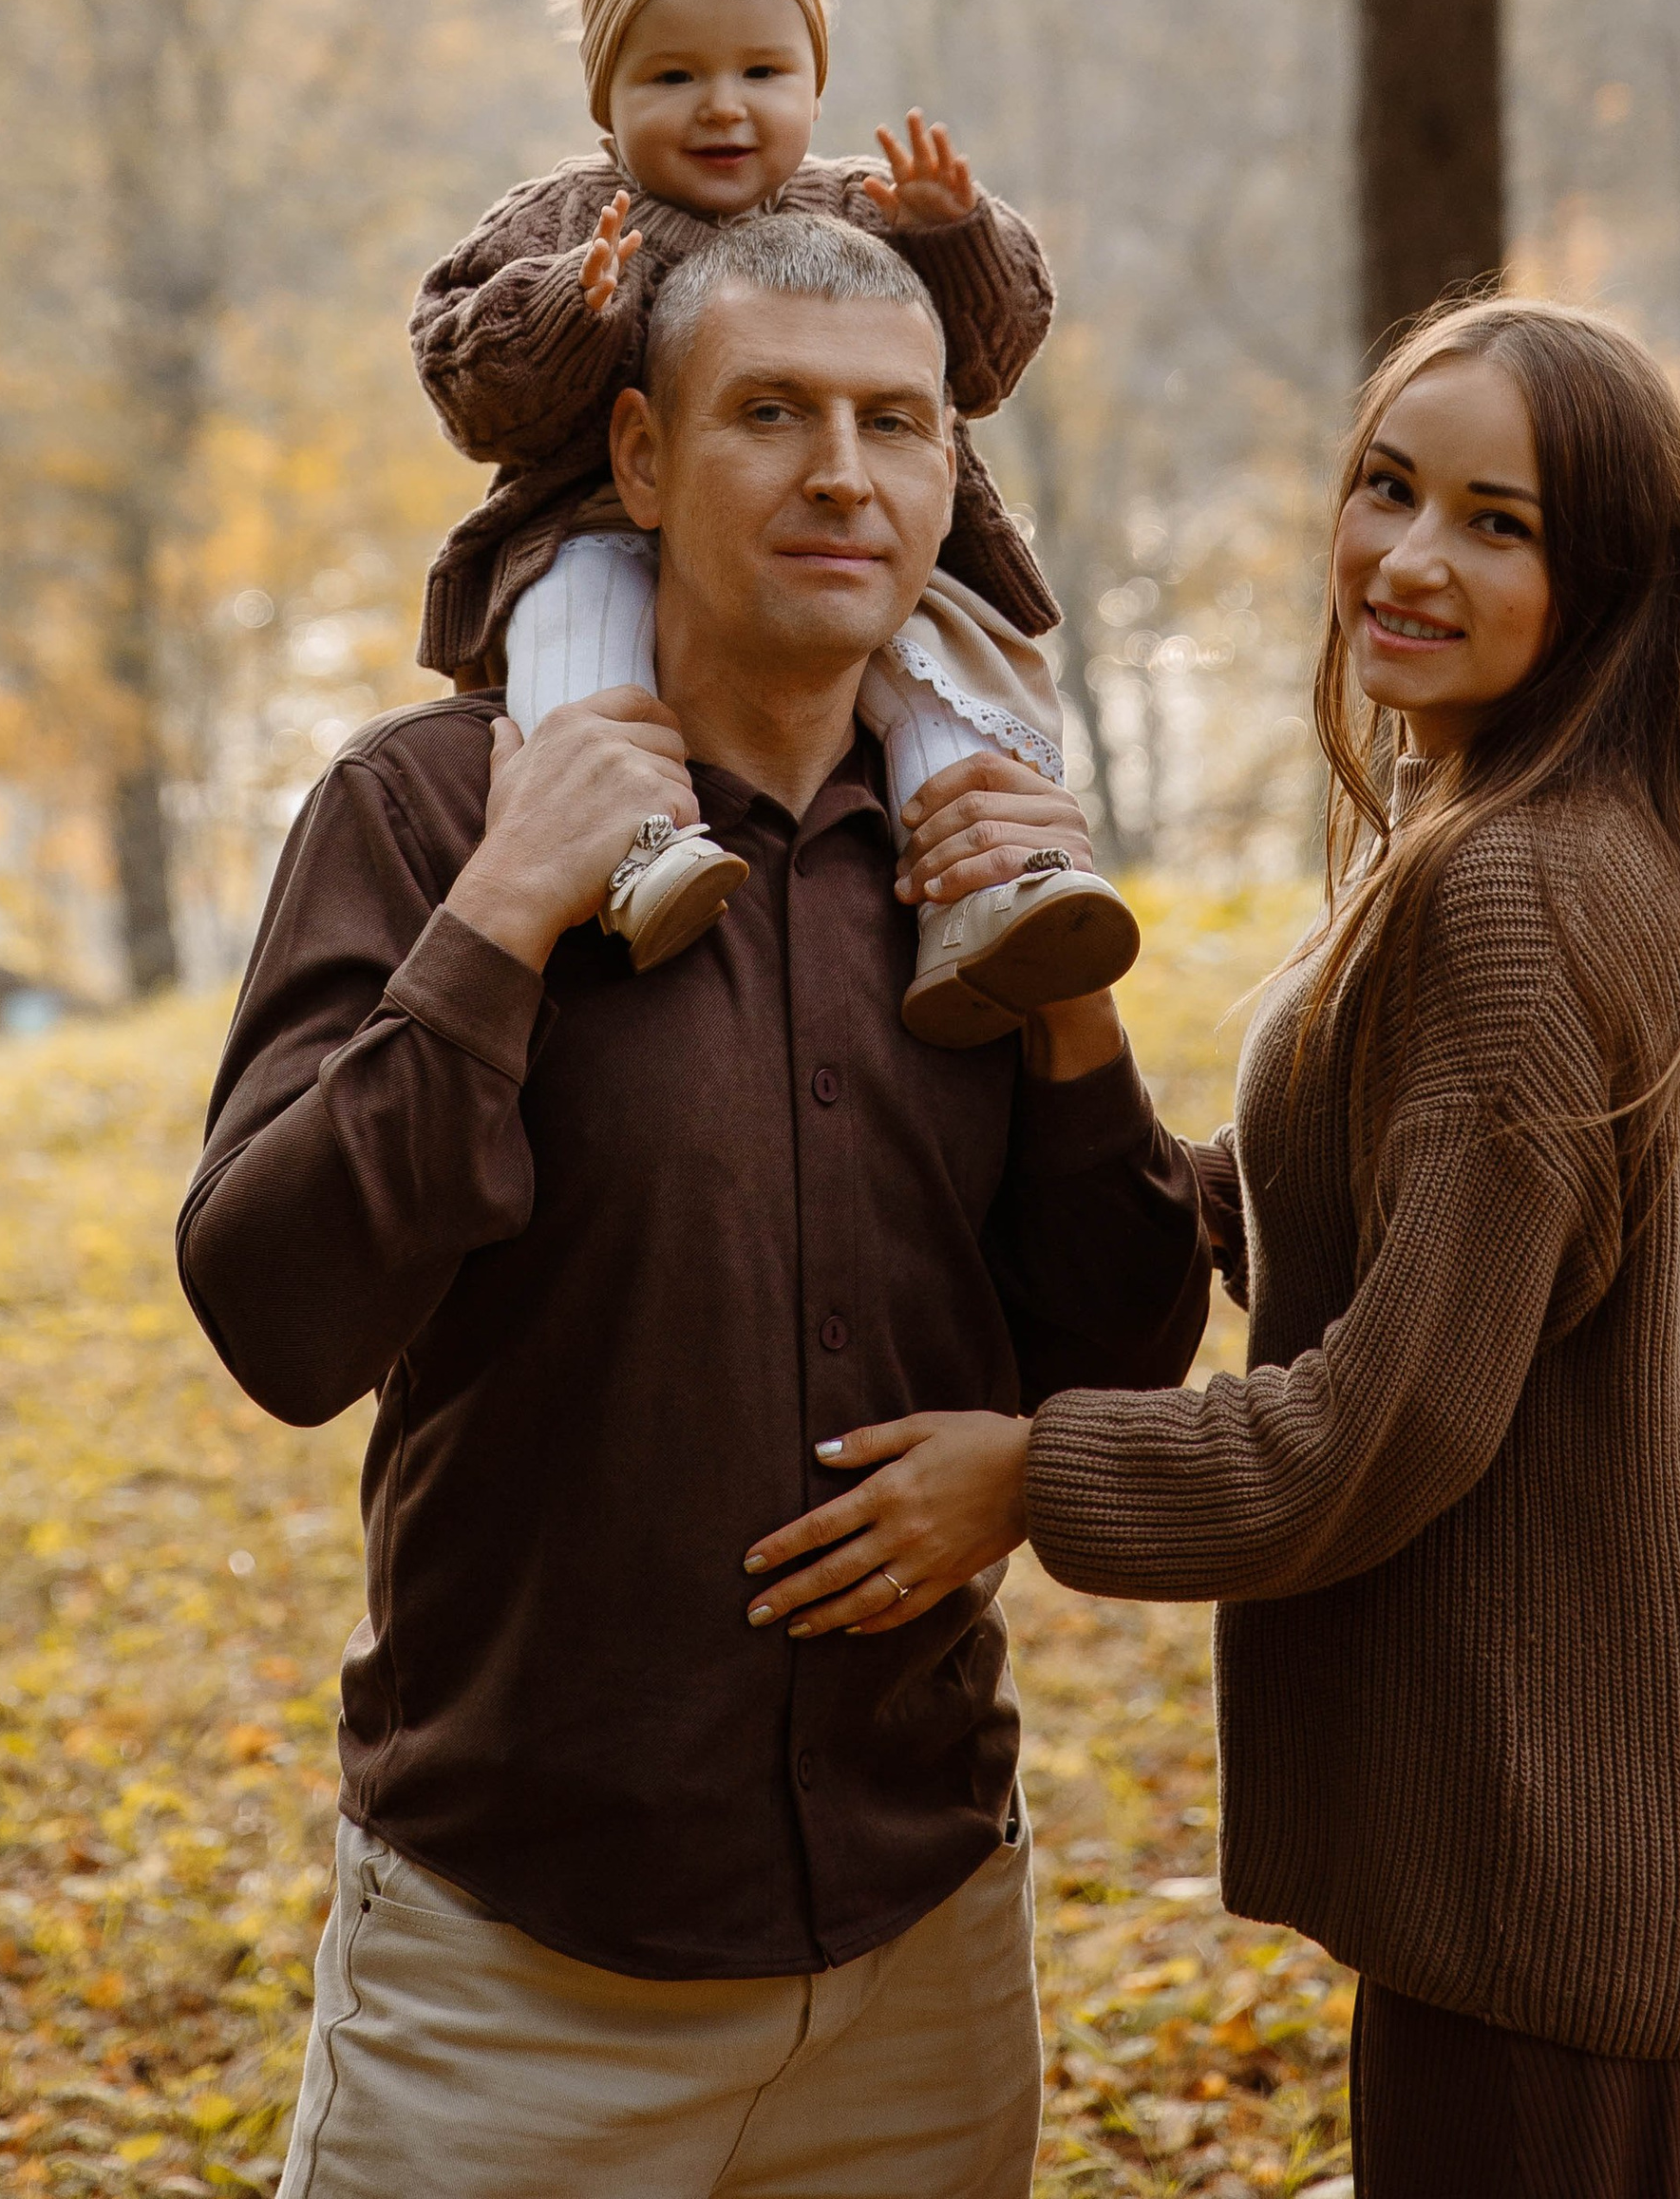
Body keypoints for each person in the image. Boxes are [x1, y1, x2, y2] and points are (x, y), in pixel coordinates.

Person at [177, 212, 1211, 2199]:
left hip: (918, 1965)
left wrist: (1069, 1003)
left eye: (893, 425)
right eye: (772, 415)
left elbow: (1111, 1349)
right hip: (508, 1984)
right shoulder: (418, 815)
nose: (841, 472)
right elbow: (275, 1318)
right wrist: (497, 917)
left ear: (943, 476)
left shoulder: (988, 853)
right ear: (641, 459)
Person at [743, 297, 1680, 2197]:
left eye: (1497, 522)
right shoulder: (1512, 824)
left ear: (1610, 582)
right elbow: (1324, 1212)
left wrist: (1027, 1479)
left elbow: (1377, 1425)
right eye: (1385, 488)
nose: (1406, 557)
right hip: (1566, 1833)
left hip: (1567, 1844)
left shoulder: (1515, 886)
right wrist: (1062, 1007)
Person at [406, 0, 1139, 1040]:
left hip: (822, 557)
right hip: (595, 524)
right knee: (573, 632)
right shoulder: (556, 222)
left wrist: (950, 236)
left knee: (944, 660)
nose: (723, 106)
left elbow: (987, 362)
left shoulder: (861, 207)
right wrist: (571, 311)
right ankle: (631, 840)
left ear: (816, 80)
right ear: (604, 100)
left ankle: (989, 880)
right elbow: (465, 385)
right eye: (673, 75)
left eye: (763, 70)